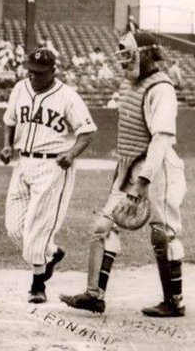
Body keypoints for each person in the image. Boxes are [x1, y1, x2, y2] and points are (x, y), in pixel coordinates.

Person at [61, 32, 187, 317]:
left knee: (162, 234)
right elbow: (130, 140)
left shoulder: (161, 88)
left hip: (159, 170)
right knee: (102, 228)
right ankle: (95, 295)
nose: (123, 59)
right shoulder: (130, 85)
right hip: (130, 169)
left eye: (128, 53)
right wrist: (122, 176)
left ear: (145, 53)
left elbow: (161, 139)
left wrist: (142, 183)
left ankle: (173, 301)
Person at [0, 47, 97, 304]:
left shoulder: (68, 96)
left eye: (39, 73)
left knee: (37, 231)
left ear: (53, 71)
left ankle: (38, 286)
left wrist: (72, 153)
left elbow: (87, 131)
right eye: (30, 71)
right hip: (24, 162)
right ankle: (51, 254)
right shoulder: (20, 88)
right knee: (14, 229)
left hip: (53, 166)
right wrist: (8, 145)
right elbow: (9, 120)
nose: (33, 77)